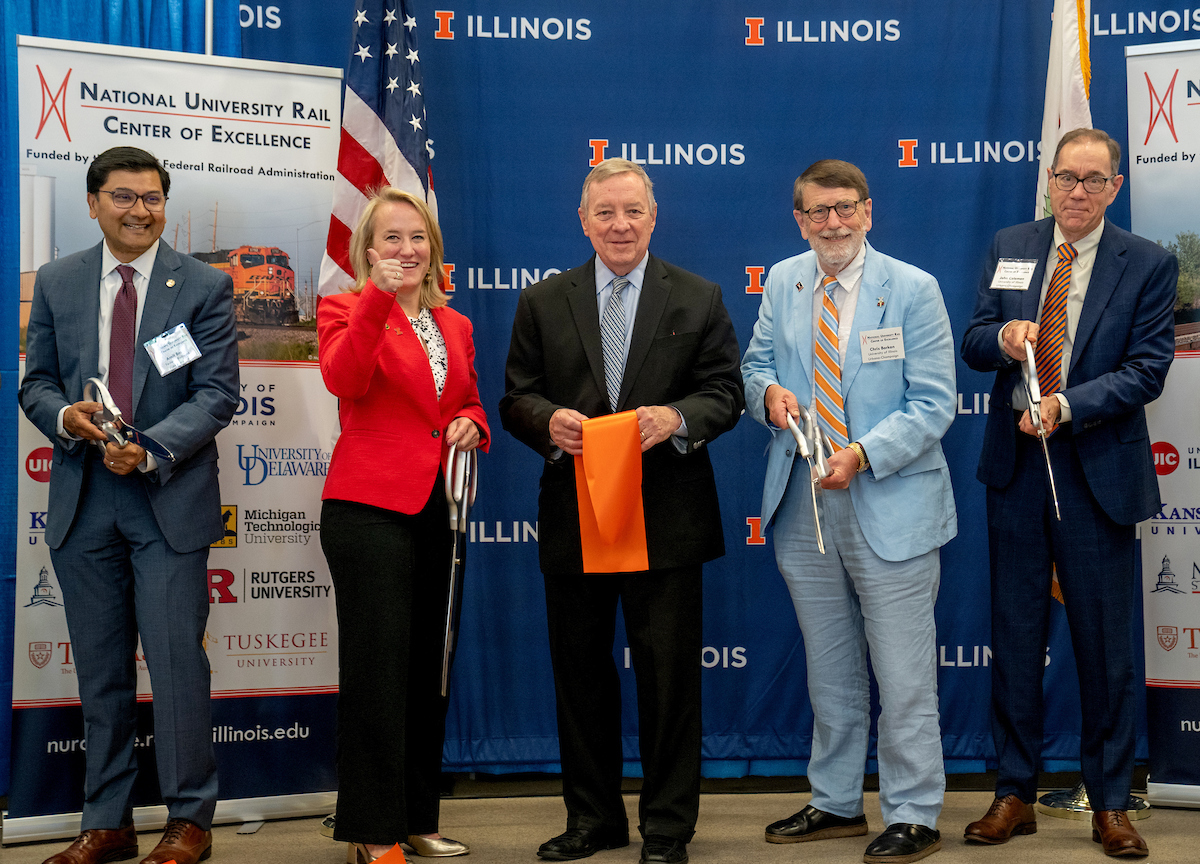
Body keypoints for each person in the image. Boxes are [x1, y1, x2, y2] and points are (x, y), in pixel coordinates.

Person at [499, 158, 743, 864]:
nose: (620, 224)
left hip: (667, 519)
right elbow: (517, 397)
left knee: (670, 682)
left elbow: (724, 392)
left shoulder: (697, 297)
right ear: (583, 221)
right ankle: (593, 819)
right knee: (580, 677)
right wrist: (549, 422)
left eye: (633, 210)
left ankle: (667, 829)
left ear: (654, 217)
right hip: (576, 517)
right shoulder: (542, 302)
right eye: (605, 212)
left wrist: (675, 415)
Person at [19, 146, 240, 864]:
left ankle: (190, 821)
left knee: (178, 664)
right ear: (93, 204)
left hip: (166, 499)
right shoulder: (57, 281)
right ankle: (107, 821)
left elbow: (217, 393)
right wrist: (66, 419)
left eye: (152, 197)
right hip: (85, 501)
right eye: (123, 196)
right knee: (101, 671)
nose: (140, 209)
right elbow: (37, 383)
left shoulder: (203, 284)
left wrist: (148, 448)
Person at [960, 127, 1176, 859]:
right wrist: (1006, 335)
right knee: (1016, 640)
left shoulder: (1147, 262)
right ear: (1048, 182)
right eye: (1065, 178)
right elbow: (974, 339)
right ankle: (1013, 792)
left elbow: (1148, 369)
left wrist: (1068, 404)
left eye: (1093, 179)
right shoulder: (1011, 243)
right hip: (1017, 473)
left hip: (1099, 476)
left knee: (1105, 649)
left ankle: (1111, 803)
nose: (1077, 192)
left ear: (1115, 187)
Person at [741, 159, 957, 864]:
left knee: (903, 674)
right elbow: (755, 366)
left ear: (868, 210)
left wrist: (862, 454)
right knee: (829, 670)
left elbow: (933, 404)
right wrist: (768, 395)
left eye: (844, 208)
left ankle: (914, 811)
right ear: (798, 219)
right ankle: (836, 801)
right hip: (804, 504)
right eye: (815, 212)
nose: (831, 223)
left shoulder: (915, 289)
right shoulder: (783, 278)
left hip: (888, 498)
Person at [317, 187, 489, 863]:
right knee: (376, 672)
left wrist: (474, 423)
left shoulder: (457, 326)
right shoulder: (343, 309)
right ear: (366, 250)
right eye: (391, 239)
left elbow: (468, 400)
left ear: (433, 250)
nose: (407, 250)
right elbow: (345, 380)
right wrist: (377, 301)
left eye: (417, 239)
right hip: (367, 512)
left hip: (439, 512)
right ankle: (369, 828)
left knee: (426, 670)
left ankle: (417, 816)